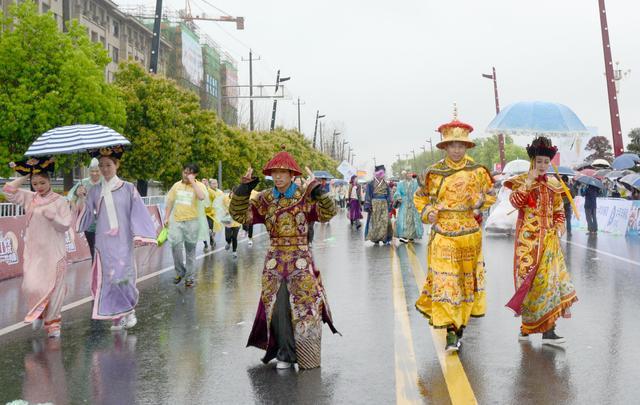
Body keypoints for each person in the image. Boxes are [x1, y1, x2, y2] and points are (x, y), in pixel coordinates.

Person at [229, 147, 338, 370]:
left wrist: (319, 192)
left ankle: (306, 354)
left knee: (304, 307)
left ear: (292, 175)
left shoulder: (304, 196)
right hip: (275, 260)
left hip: (300, 258)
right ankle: (285, 353)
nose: (278, 176)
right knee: (278, 307)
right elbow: (240, 215)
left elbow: (328, 213)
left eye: (283, 172)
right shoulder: (265, 199)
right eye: (274, 172)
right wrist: (243, 190)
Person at [413, 110, 496, 353]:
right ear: (445, 147)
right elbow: (421, 198)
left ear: (467, 146)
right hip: (443, 234)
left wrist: (480, 201)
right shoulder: (434, 172)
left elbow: (491, 195)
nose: (457, 150)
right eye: (452, 145)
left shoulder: (478, 171)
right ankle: (450, 330)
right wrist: (428, 212)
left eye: (461, 145)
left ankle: (459, 328)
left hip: (469, 235)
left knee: (463, 283)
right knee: (446, 281)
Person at [504, 136, 578, 346]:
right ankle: (526, 327)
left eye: (546, 162)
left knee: (551, 283)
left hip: (549, 242)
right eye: (539, 162)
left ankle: (549, 330)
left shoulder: (554, 184)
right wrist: (528, 183)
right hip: (528, 242)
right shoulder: (522, 181)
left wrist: (559, 227)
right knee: (530, 284)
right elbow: (516, 202)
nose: (543, 166)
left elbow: (559, 211)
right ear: (532, 162)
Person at [75, 146, 158, 330]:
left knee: (123, 276)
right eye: (101, 165)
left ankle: (129, 310)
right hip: (104, 242)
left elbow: (137, 212)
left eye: (108, 165)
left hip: (123, 240)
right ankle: (116, 316)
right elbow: (88, 214)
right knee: (109, 278)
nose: (104, 169)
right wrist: (81, 198)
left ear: (117, 165)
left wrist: (140, 234)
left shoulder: (128, 188)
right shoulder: (95, 190)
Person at [3, 157, 72, 338]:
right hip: (34, 253)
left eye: (42, 182)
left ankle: (53, 323)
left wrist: (53, 218)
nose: (39, 186)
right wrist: (25, 174)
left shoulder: (60, 201)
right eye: (35, 183)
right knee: (31, 286)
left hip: (54, 253)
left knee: (55, 289)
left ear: (49, 181)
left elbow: (65, 225)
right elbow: (8, 191)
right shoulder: (30, 198)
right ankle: (39, 312)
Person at [164, 163, 208, 287]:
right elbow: (170, 202)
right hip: (177, 221)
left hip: (192, 222)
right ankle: (180, 271)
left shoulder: (199, 186)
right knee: (175, 247)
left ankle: (189, 278)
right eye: (185, 172)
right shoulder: (176, 185)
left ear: (195, 174)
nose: (186, 174)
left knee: (190, 251)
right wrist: (166, 217)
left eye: (190, 173)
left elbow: (201, 197)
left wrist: (193, 182)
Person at [67, 158, 101, 258]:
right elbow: (71, 197)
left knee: (103, 248)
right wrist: (75, 207)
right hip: (88, 221)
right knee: (92, 247)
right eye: (92, 171)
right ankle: (95, 269)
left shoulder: (105, 182)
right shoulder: (83, 183)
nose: (94, 173)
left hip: (104, 221)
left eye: (97, 171)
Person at [364, 165, 393, 244]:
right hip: (374, 205)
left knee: (385, 221)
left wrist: (389, 203)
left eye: (383, 173)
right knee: (375, 222)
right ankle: (376, 238)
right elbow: (368, 195)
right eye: (381, 173)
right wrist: (368, 204)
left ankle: (385, 238)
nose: (382, 175)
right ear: (377, 174)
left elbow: (388, 195)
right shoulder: (370, 184)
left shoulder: (386, 184)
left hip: (384, 204)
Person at [393, 170, 424, 243]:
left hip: (413, 203)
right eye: (408, 174)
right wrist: (398, 197)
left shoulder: (416, 183)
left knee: (413, 220)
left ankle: (412, 236)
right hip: (404, 203)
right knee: (403, 220)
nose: (409, 175)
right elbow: (397, 192)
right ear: (405, 175)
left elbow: (419, 191)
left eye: (410, 173)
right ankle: (403, 236)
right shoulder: (400, 184)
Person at [204, 178, 224, 250]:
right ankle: (205, 243)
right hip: (205, 213)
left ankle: (212, 240)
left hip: (214, 213)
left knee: (212, 229)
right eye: (213, 183)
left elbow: (222, 201)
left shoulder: (220, 192)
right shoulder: (207, 191)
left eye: (216, 183)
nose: (215, 185)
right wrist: (206, 187)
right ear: (210, 184)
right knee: (205, 229)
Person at [221, 188, 241, 258]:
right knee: (228, 237)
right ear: (231, 192)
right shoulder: (225, 198)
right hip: (227, 220)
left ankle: (234, 252)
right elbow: (221, 206)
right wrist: (224, 212)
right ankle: (228, 242)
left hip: (237, 221)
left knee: (234, 237)